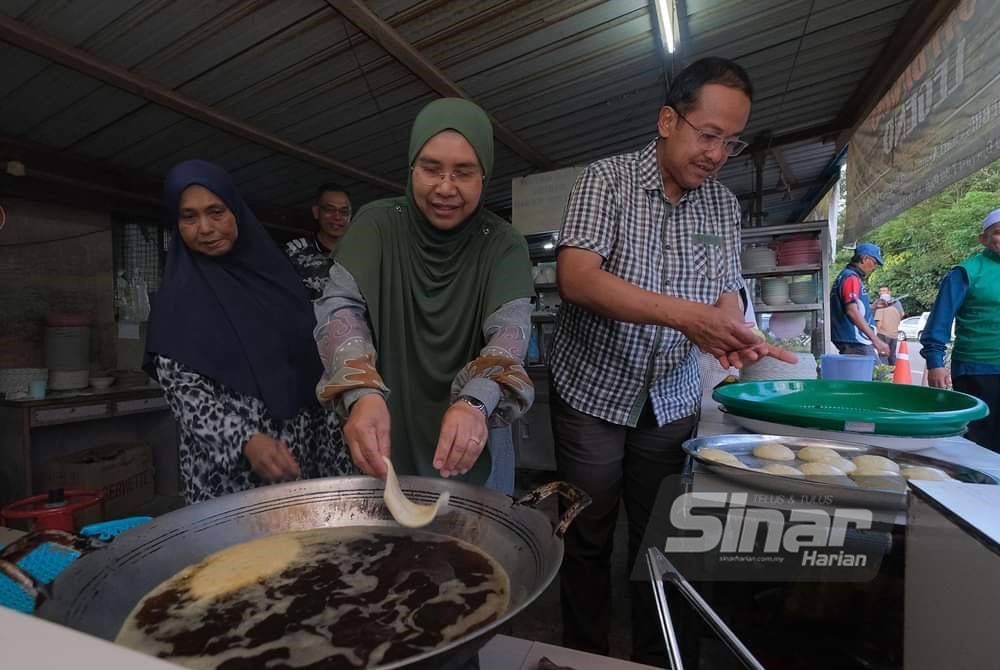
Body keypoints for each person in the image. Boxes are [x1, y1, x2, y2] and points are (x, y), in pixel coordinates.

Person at [548, 57, 795, 665]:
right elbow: (577, 279)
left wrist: (733, 327)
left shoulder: (721, 207)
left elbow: (727, 286)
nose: (716, 154)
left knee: (663, 538)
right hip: (594, 395)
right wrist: (689, 317)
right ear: (667, 119)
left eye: (729, 142)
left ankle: (659, 657)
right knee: (586, 534)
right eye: (707, 134)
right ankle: (587, 655)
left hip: (674, 399)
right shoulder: (604, 181)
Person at [313, 98, 535, 493]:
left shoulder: (504, 244)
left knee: (480, 543)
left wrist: (475, 403)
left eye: (464, 172)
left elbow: (509, 332)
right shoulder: (375, 226)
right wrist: (361, 392)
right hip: (384, 422)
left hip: (476, 427)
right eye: (431, 169)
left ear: (484, 176)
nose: (445, 188)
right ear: (411, 167)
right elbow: (340, 308)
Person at [146, 160, 353, 504]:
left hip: (302, 464)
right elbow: (185, 394)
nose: (205, 228)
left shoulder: (277, 279)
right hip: (229, 481)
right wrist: (246, 440)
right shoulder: (177, 300)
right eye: (189, 217)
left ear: (236, 212)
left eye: (216, 212)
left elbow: (313, 365)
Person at [921, 208, 1000, 452]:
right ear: (983, 239)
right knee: (981, 444)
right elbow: (940, 319)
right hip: (979, 370)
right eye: (998, 233)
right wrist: (935, 362)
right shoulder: (966, 272)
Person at [285, 184, 353, 298]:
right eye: (330, 209)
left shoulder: (362, 256)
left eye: (344, 212)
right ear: (316, 212)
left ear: (350, 216)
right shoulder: (294, 252)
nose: (337, 217)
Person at [830, 242, 890, 358]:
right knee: (870, 374)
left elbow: (853, 308)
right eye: (874, 262)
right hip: (854, 340)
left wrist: (873, 307)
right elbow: (851, 311)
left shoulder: (846, 275)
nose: (874, 267)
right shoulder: (851, 277)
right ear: (864, 259)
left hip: (849, 339)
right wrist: (876, 340)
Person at [873, 286, 904, 365]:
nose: (882, 292)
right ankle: (893, 369)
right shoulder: (895, 309)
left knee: (883, 353)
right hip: (894, 334)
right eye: (881, 291)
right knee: (892, 353)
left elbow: (879, 324)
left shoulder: (880, 309)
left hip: (883, 334)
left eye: (884, 290)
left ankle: (884, 371)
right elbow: (901, 316)